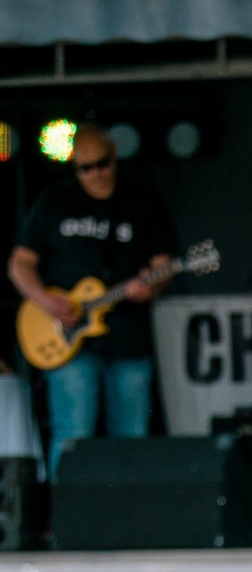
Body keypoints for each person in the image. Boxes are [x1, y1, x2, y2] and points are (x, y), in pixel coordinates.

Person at [8, 124, 176, 480]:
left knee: (131, 432)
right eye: (85, 168)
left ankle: (130, 519)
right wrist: (45, 300)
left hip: (128, 336)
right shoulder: (55, 201)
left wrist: (152, 287)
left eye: (101, 164)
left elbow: (164, 264)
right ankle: (67, 524)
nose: (95, 174)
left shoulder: (142, 200)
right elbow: (20, 263)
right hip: (67, 336)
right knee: (72, 430)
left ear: (114, 155)